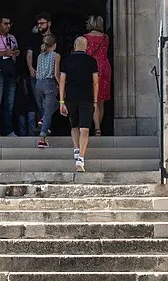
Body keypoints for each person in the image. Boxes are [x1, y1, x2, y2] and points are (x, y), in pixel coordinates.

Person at [59, 33, 99, 172]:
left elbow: (62, 81)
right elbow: (95, 82)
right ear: (86, 47)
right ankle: (79, 154)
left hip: (71, 97)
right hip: (87, 97)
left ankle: (78, 153)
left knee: (76, 126)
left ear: (75, 46)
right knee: (84, 128)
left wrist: (61, 101)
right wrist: (95, 100)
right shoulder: (92, 61)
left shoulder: (67, 61)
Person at [85, 15, 112, 136]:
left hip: (91, 67)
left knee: (93, 99)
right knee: (101, 101)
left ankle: (96, 127)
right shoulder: (106, 37)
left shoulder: (85, 38)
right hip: (105, 67)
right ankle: (98, 127)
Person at [32, 32, 60, 147]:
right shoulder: (56, 55)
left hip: (38, 84)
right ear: (54, 45)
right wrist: (62, 85)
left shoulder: (39, 56)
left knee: (55, 105)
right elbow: (56, 73)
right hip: (49, 84)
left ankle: (42, 120)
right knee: (48, 112)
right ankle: (42, 139)